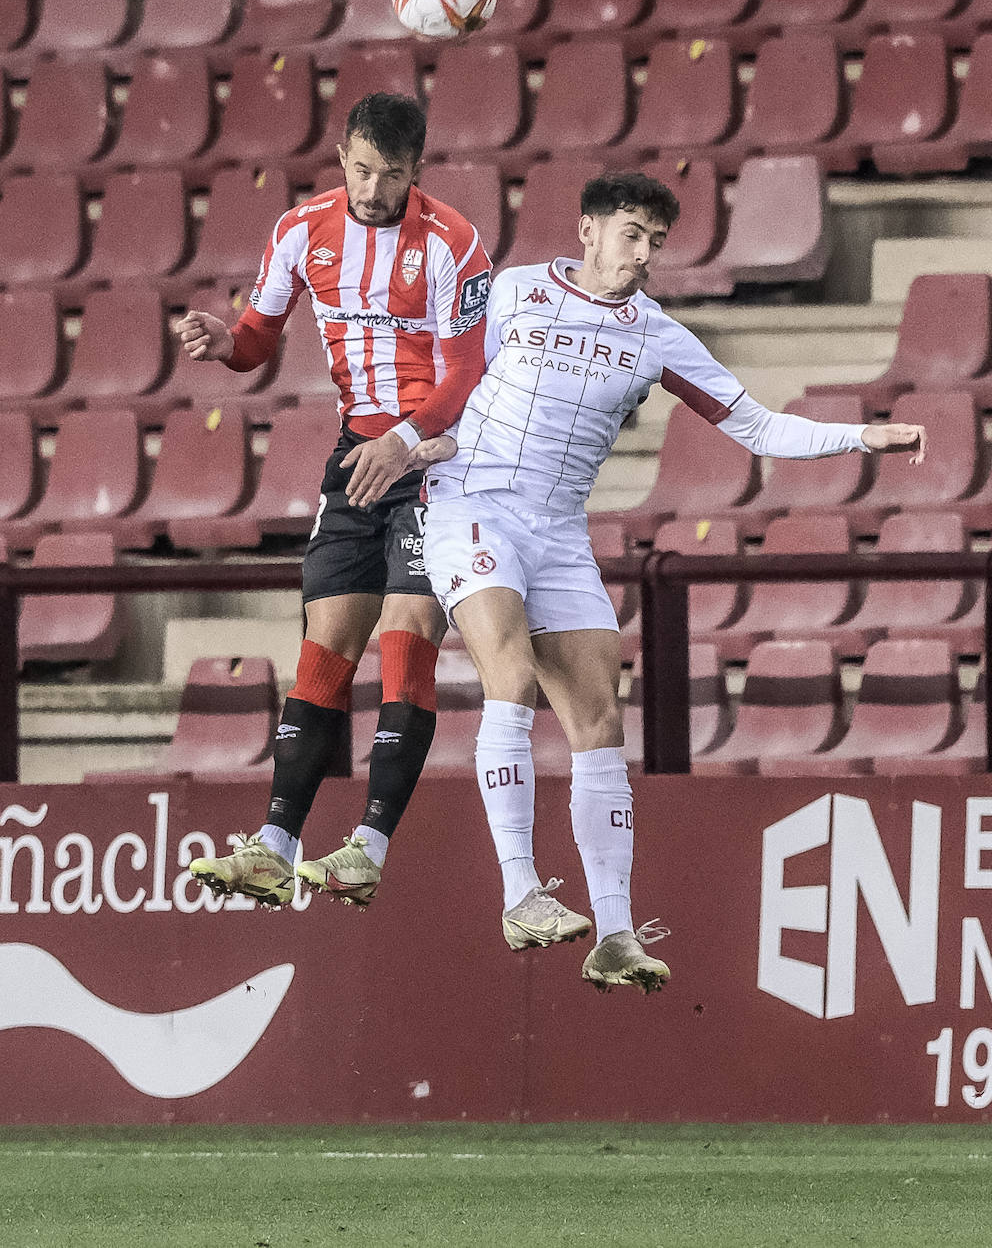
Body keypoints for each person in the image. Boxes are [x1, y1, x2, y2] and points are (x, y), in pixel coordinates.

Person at [419, 171, 927, 994]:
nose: (643, 254)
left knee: (598, 718)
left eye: (656, 241)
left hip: (556, 530)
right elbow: (441, 372)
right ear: (587, 230)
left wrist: (860, 437)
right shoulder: (514, 292)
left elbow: (757, 426)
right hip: (471, 507)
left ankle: (613, 933)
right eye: (631, 234)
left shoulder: (656, 336)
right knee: (509, 676)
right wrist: (413, 440)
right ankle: (520, 892)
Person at [180, 93, 492, 909]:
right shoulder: (299, 231)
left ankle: (368, 844)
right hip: (359, 452)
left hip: (432, 457)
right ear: (342, 155)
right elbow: (257, 337)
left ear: (417, 170)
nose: (373, 187)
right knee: (325, 641)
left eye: (391, 175)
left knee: (407, 630)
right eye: (361, 169)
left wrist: (403, 441)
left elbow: (466, 374)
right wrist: (226, 346)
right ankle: (276, 844)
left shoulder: (455, 243)